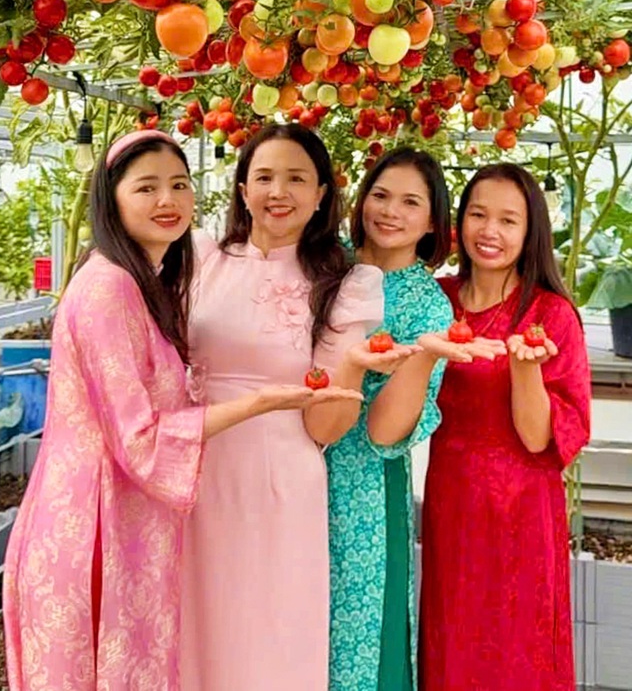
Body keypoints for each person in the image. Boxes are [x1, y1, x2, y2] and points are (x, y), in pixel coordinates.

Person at [4, 129, 336, 691]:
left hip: (126, 520)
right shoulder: (108, 289)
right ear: (111, 200)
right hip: (96, 522)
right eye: (147, 187)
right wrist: (257, 402)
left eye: (179, 185)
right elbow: (141, 439)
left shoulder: (148, 283)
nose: (168, 201)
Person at [180, 123, 392, 691]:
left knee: (268, 633)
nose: (279, 191)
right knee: (188, 625)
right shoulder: (197, 257)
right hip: (191, 467)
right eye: (265, 177)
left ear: (322, 193)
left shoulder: (343, 283)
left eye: (296, 178)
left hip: (278, 481)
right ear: (242, 188)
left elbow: (326, 423)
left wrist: (350, 370)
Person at [369, 164, 591, 691]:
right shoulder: (435, 300)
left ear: (529, 231)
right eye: (479, 215)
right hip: (451, 503)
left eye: (508, 220)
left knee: (518, 652)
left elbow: (539, 439)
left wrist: (524, 368)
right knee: (452, 646)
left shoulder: (550, 314)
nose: (490, 232)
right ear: (457, 221)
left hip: (523, 514)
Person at [328, 148, 504, 691]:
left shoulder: (429, 307)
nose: (389, 212)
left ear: (432, 222)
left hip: (364, 491)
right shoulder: (323, 264)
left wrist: (423, 352)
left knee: (359, 640)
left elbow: (385, 433)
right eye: (380, 195)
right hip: (283, 469)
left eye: (410, 202)